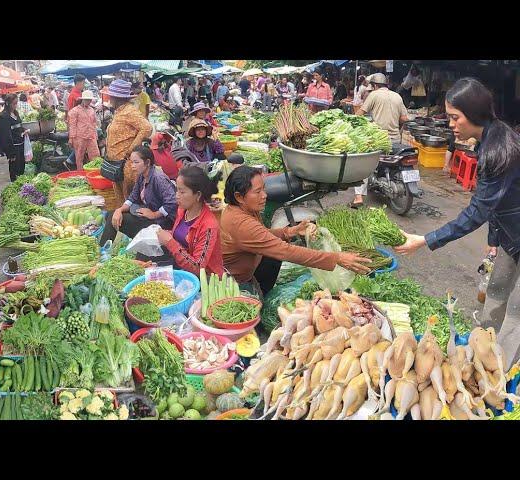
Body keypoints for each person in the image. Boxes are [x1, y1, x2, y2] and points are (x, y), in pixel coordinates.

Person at [395, 78, 520, 370]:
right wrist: (494, 240)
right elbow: (499, 203)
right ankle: (485, 349)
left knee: (516, 313)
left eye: (455, 117)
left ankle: (497, 379)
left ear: (474, 113)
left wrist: (425, 240)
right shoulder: (492, 137)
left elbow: (478, 210)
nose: (450, 124)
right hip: (511, 237)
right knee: (496, 291)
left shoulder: (500, 150)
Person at [220, 166, 371, 296]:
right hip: (237, 281)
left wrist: (290, 232)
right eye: (258, 192)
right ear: (239, 197)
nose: (264, 195)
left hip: (252, 265)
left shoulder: (243, 208)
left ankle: (264, 293)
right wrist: (336, 258)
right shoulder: (240, 223)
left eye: (264, 189)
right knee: (278, 253)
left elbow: (262, 236)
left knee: (274, 255)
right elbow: (286, 251)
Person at [99, 144, 176, 246]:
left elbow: (172, 203)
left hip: (161, 223)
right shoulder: (142, 176)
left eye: (136, 162)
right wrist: (120, 210)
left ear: (147, 162)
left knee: (114, 218)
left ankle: (102, 250)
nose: (132, 166)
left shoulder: (158, 178)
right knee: (111, 214)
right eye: (131, 162)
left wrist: (154, 214)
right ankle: (105, 248)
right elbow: (133, 197)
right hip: (146, 216)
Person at [350, 73, 408, 207]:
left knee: (363, 164)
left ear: (375, 85)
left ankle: (358, 197)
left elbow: (361, 112)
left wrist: (351, 120)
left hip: (378, 139)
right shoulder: (397, 96)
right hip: (395, 139)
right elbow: (405, 118)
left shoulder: (374, 95)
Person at [155, 165, 223, 276]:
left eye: (182, 192)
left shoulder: (209, 226)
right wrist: (166, 234)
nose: (176, 196)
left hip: (206, 278)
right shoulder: (182, 210)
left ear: (198, 195)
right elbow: (183, 237)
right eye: (177, 190)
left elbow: (198, 267)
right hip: (182, 267)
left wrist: (170, 242)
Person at [106, 79, 154, 201]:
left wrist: (131, 149)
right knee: (121, 200)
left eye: (110, 96)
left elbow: (147, 127)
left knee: (128, 201)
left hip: (125, 165)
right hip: (117, 165)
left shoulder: (129, 111)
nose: (109, 99)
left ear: (117, 98)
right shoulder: (119, 111)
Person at [0, 94, 29, 182]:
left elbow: (18, 126)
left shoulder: (15, 113)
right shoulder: (4, 116)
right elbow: (5, 136)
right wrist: (10, 153)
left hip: (20, 144)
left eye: (16, 103)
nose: (15, 105)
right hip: (13, 147)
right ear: (7, 103)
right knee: (15, 169)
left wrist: (23, 131)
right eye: (14, 103)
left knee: (21, 167)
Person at [67, 90, 100, 170]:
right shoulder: (75, 111)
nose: (88, 101)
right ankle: (81, 173)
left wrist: (95, 135)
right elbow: (72, 125)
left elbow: (94, 123)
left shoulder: (92, 110)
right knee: (79, 157)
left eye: (90, 100)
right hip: (79, 137)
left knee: (95, 155)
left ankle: (95, 172)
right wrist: (71, 138)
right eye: (87, 100)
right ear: (83, 99)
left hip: (91, 136)